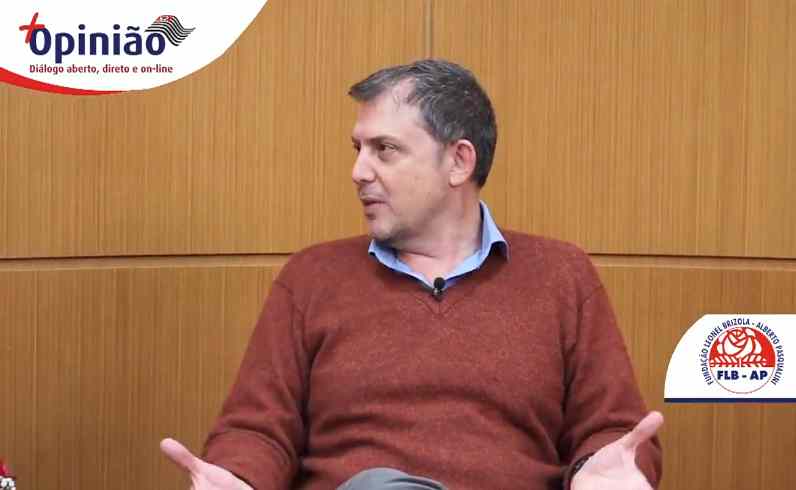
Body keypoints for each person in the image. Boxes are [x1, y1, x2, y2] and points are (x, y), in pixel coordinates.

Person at [161, 59, 663, 490]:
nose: (359, 171)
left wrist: (605, 472)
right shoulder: (312, 277)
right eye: (358, 148)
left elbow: (614, 433)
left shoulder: (561, 276)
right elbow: (257, 431)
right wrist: (241, 478)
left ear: (459, 161)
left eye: (385, 149)